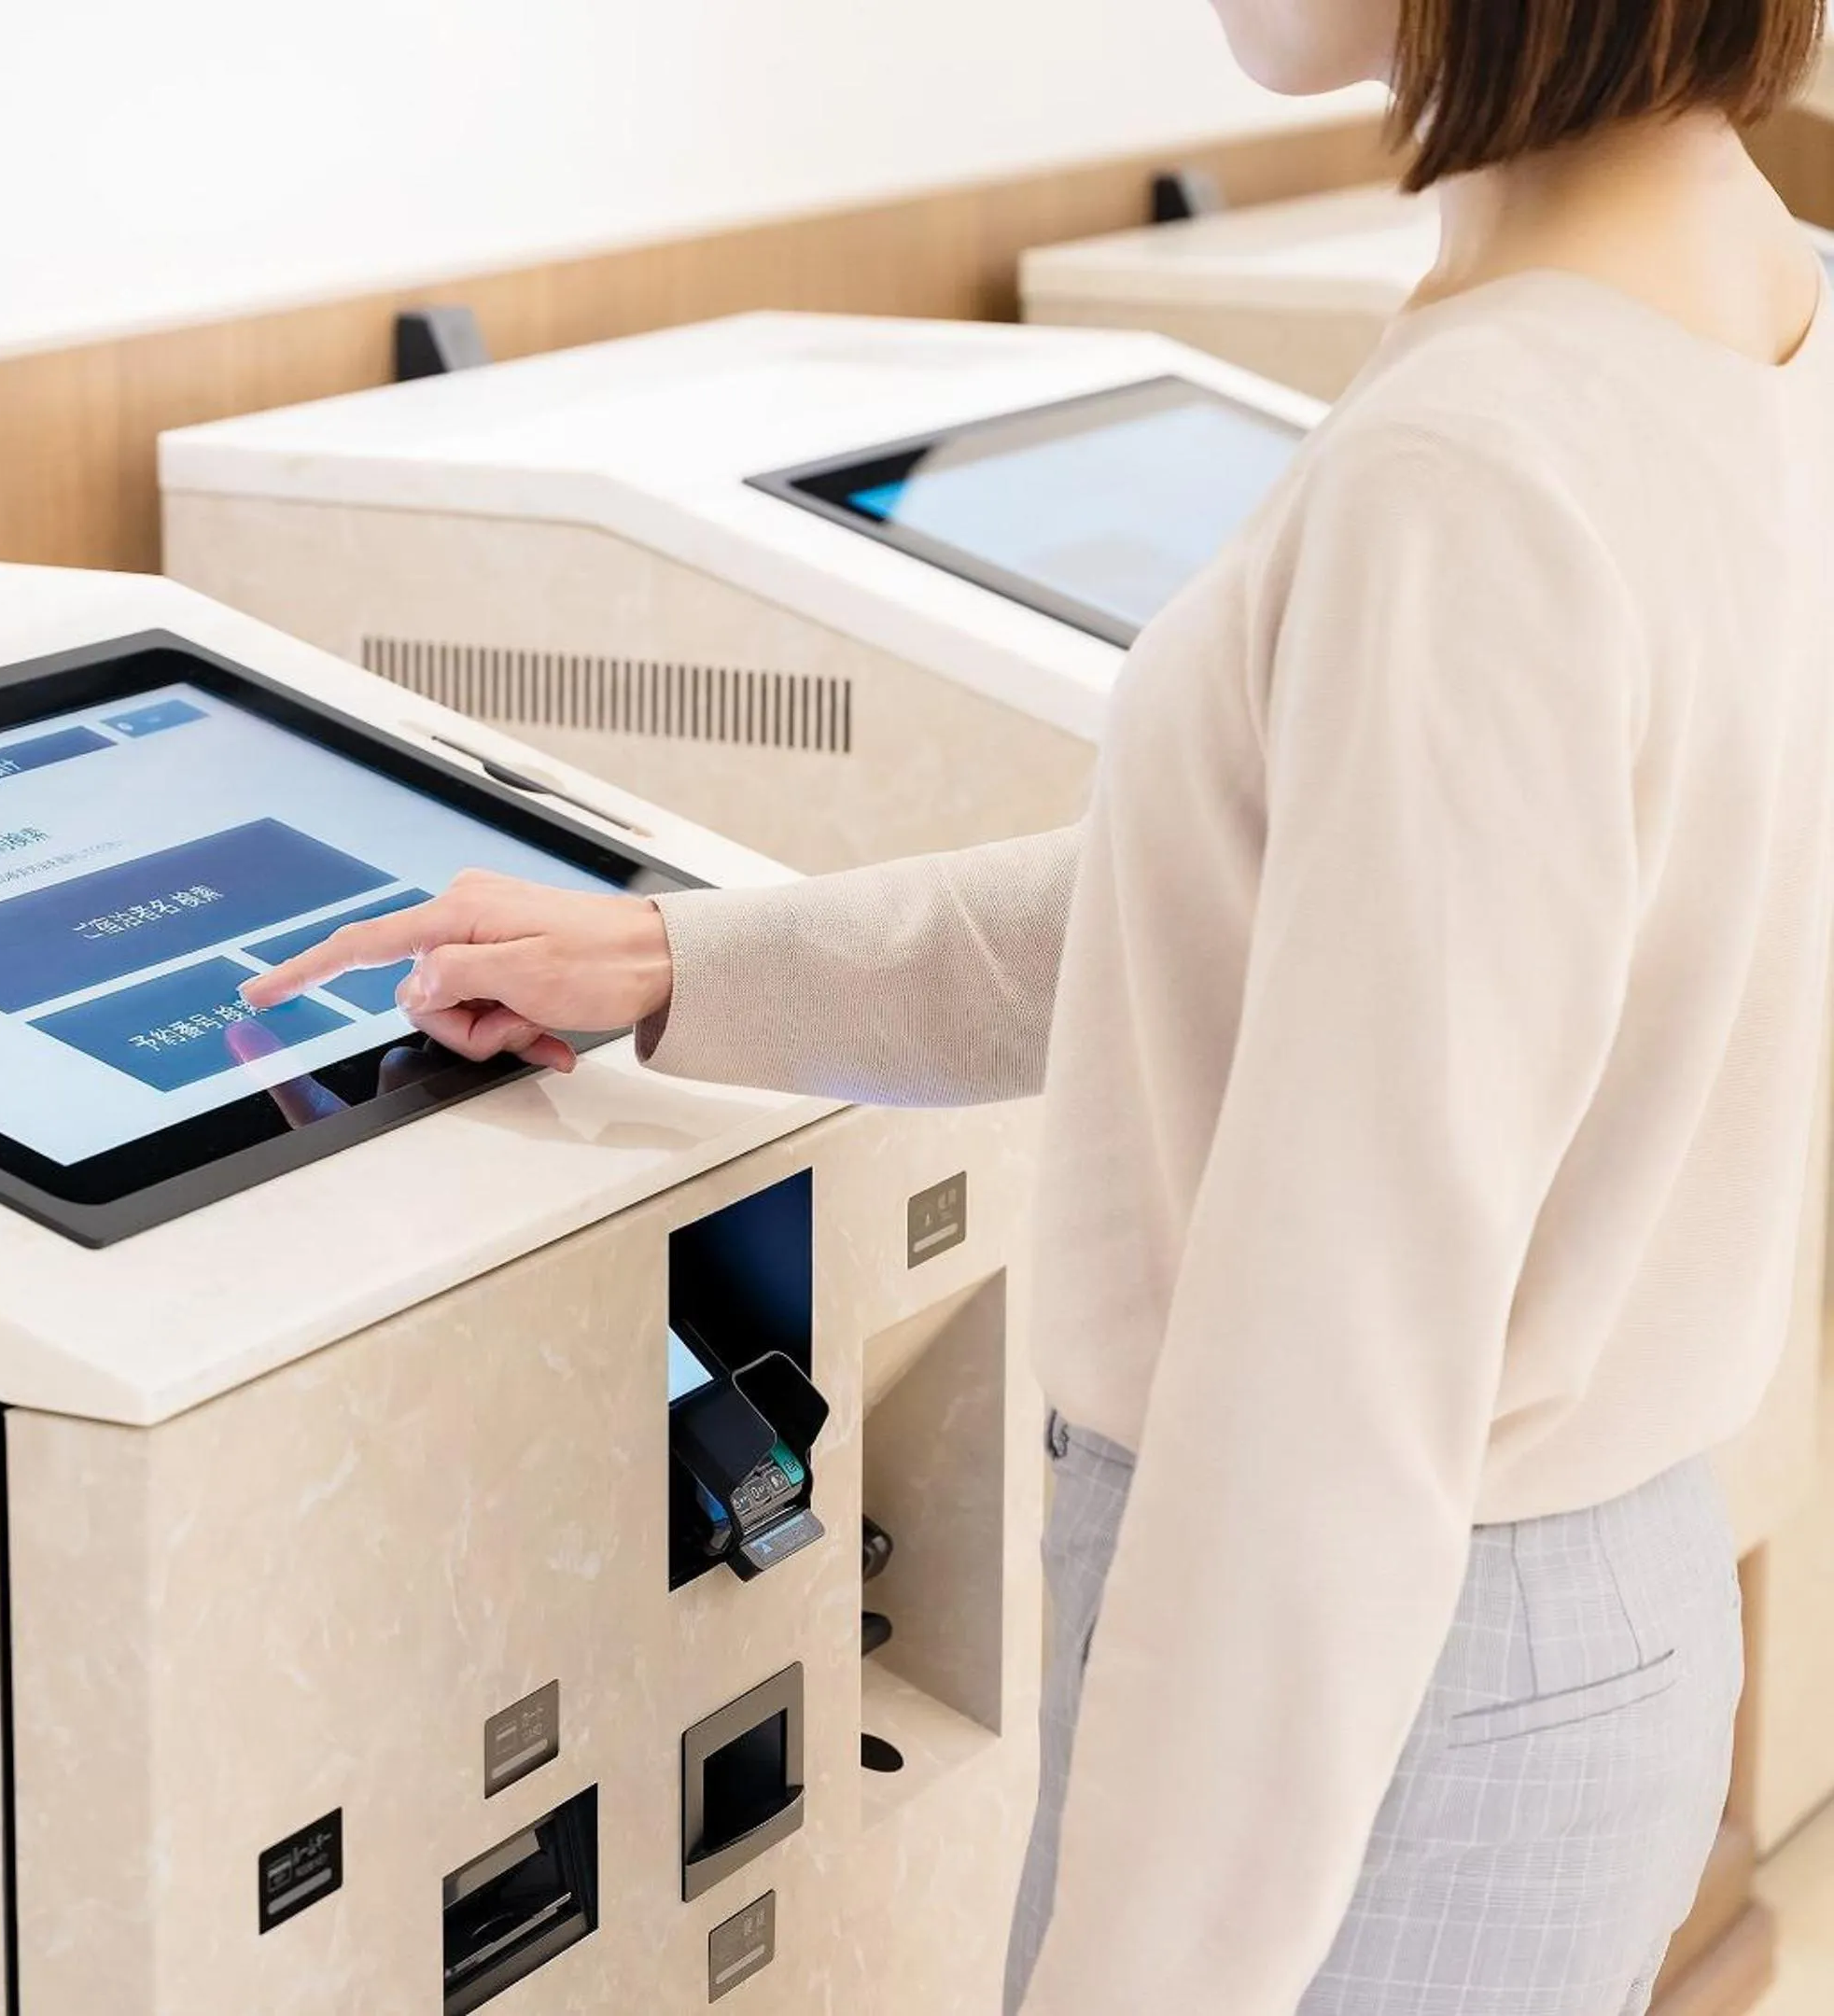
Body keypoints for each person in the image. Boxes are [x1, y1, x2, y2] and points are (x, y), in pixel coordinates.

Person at [249, 0, 1834, 2007]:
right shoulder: (1746, 288)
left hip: (1382, 1690)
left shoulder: (1474, 464)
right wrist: (686, 963)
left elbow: (1328, 1407)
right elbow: (1287, 919)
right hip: (1577, 1624)